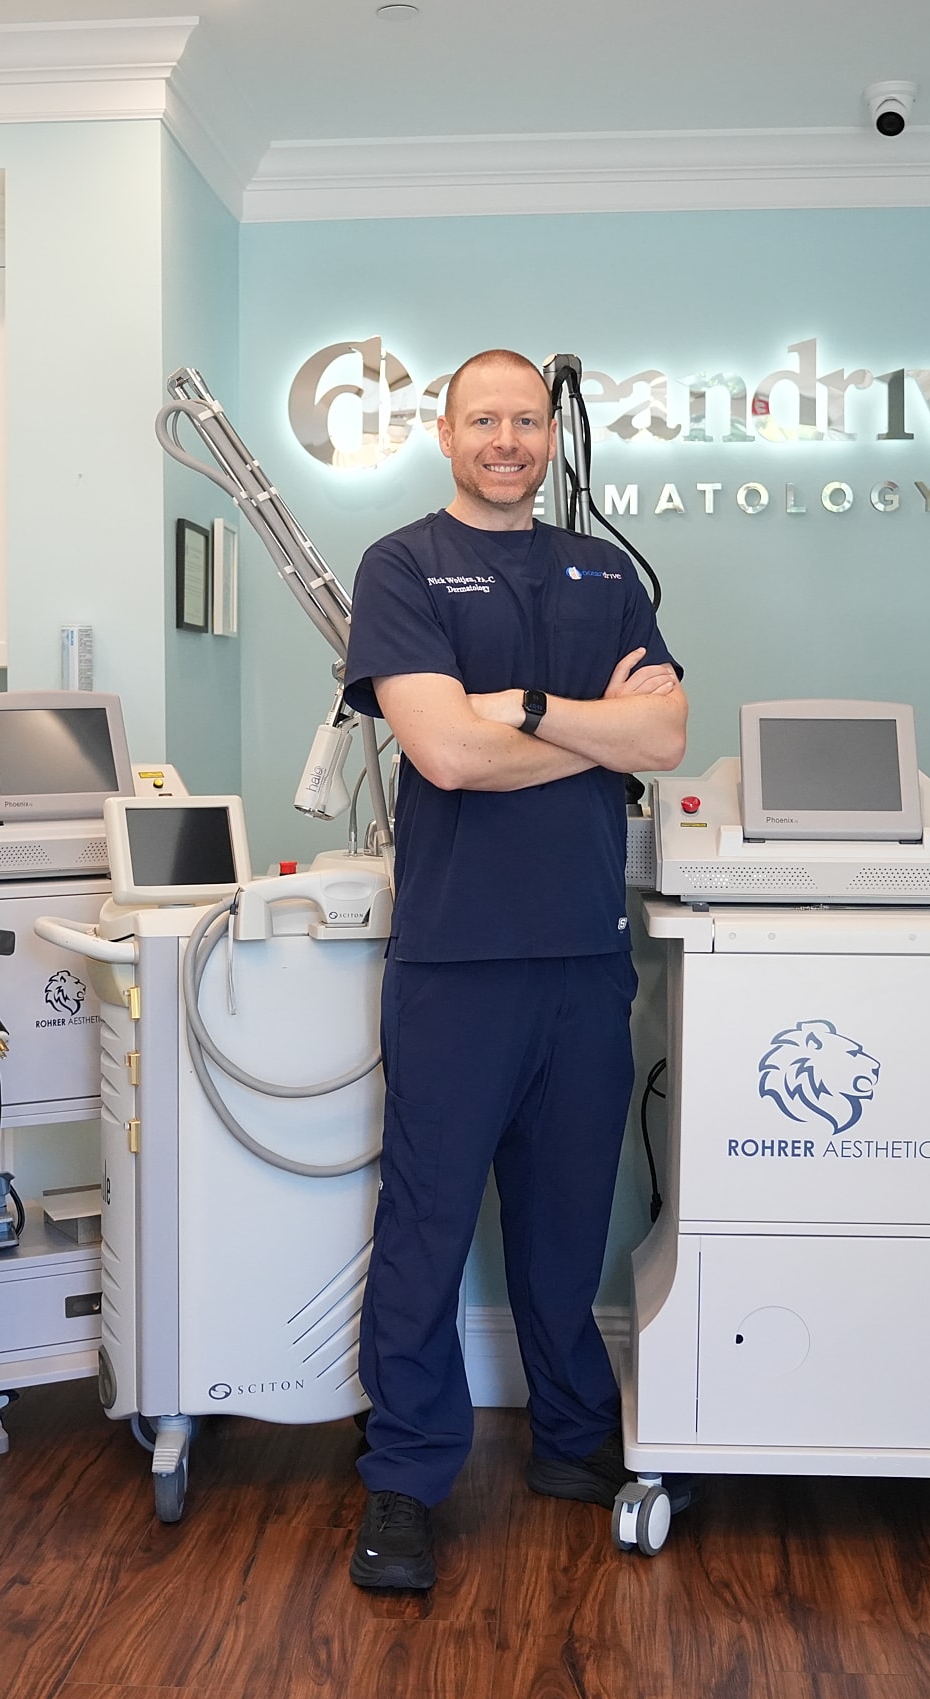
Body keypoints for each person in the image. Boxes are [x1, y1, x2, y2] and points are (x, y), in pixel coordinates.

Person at [339, 348, 688, 1591]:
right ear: (443, 434)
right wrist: (592, 735)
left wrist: (524, 708)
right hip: (456, 959)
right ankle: (403, 1475)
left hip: (584, 954)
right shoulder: (401, 567)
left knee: (567, 1220)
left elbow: (665, 732)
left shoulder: (604, 571)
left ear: (550, 434)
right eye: (482, 419)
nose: (506, 439)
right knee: (427, 1225)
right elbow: (443, 756)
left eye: (525, 420)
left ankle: (573, 1436)